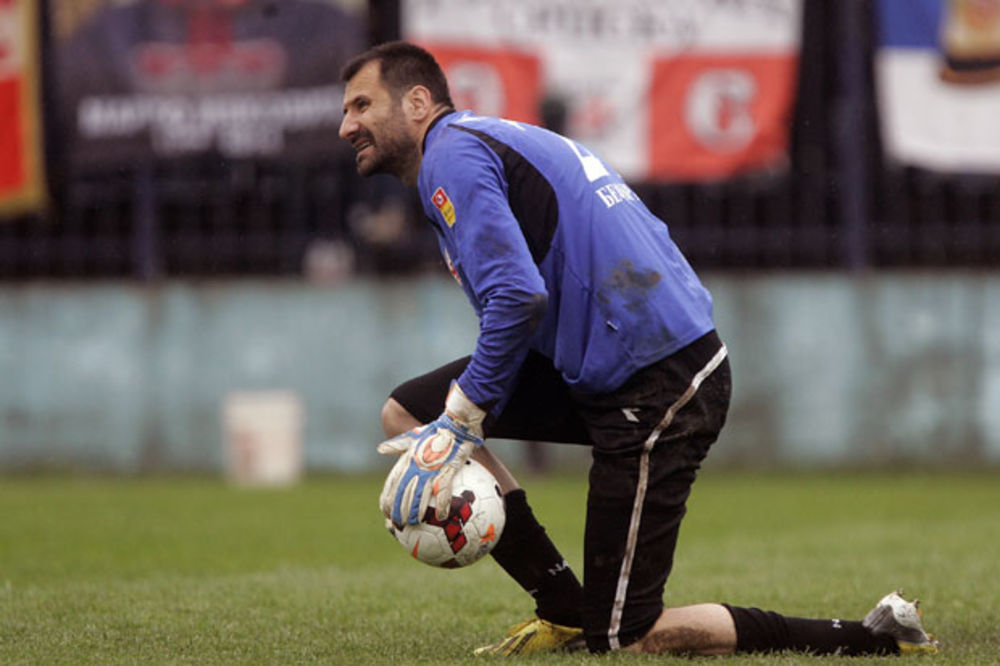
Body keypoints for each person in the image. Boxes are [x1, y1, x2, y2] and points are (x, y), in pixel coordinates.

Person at [338, 40, 939, 657]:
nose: (346, 125)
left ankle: (868, 638)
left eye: (362, 104)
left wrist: (464, 417)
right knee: (409, 413)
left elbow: (517, 295)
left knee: (628, 639)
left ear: (417, 102)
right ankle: (564, 608)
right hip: (608, 365)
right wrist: (455, 414)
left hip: (659, 382)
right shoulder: (474, 143)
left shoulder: (453, 153)